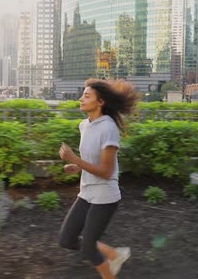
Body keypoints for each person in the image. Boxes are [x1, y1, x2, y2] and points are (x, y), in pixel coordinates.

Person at [58, 78, 140, 279]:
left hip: (105, 196)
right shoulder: (84, 125)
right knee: (66, 239)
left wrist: (74, 158)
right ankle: (114, 254)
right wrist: (77, 166)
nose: (80, 99)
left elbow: (106, 171)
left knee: (88, 248)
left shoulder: (108, 128)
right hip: (86, 192)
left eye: (86, 96)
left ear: (100, 102)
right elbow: (91, 159)